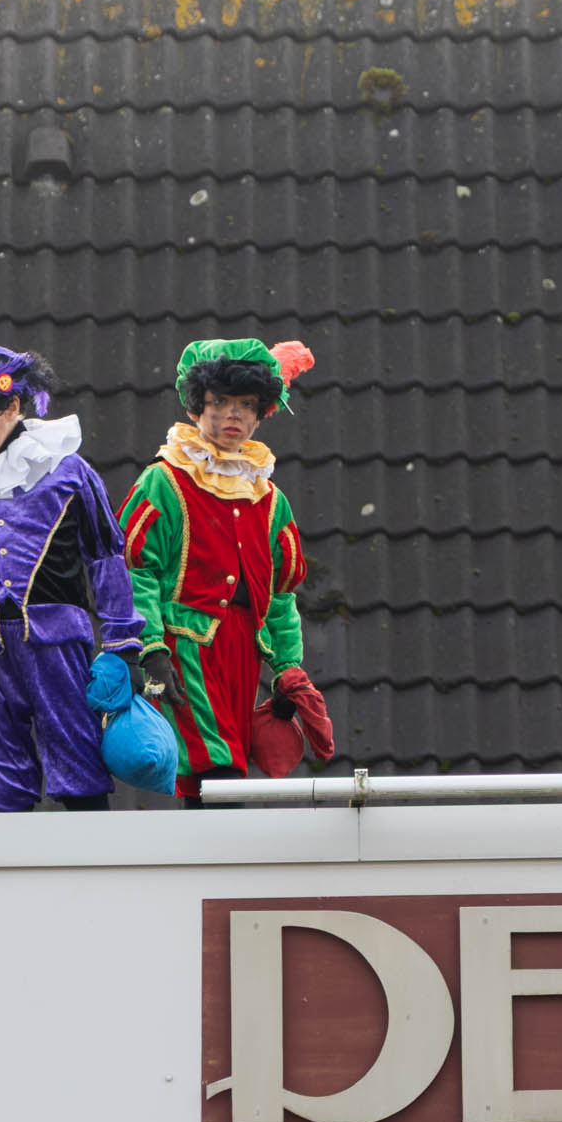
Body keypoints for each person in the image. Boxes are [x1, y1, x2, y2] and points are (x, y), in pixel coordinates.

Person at [0, 345, 146, 811]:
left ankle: (92, 856)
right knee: (2, 786)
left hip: (56, 644)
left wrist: (123, 644)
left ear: (11, 407)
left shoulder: (66, 471)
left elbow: (105, 558)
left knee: (78, 764)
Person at [118, 338, 335, 807]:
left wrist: (287, 668)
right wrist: (150, 646)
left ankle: (207, 849)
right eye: (220, 402)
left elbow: (280, 595)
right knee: (215, 761)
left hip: (243, 650)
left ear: (261, 415)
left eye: (247, 404)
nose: (233, 415)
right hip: (184, 644)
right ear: (197, 407)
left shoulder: (270, 498)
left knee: (222, 768)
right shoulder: (164, 480)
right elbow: (137, 571)